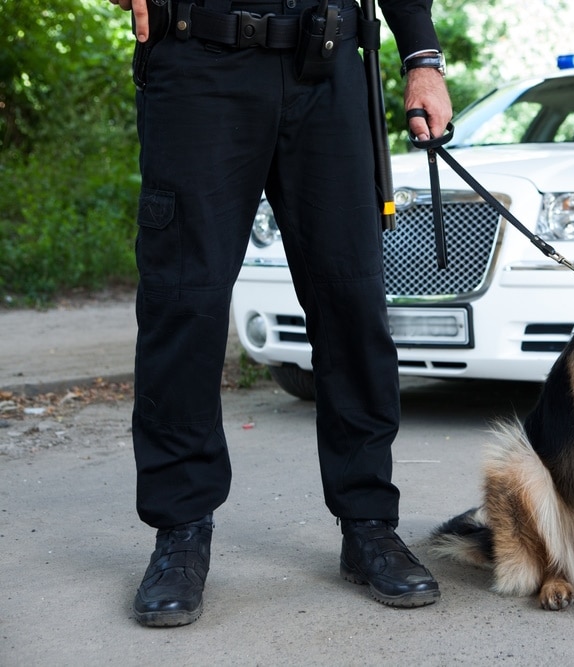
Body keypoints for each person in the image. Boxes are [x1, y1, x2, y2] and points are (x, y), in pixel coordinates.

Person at [109, 0, 452, 627]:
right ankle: (181, 531)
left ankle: (369, 524)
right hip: (196, 60)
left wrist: (421, 56)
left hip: (328, 69)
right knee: (183, 304)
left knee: (352, 305)